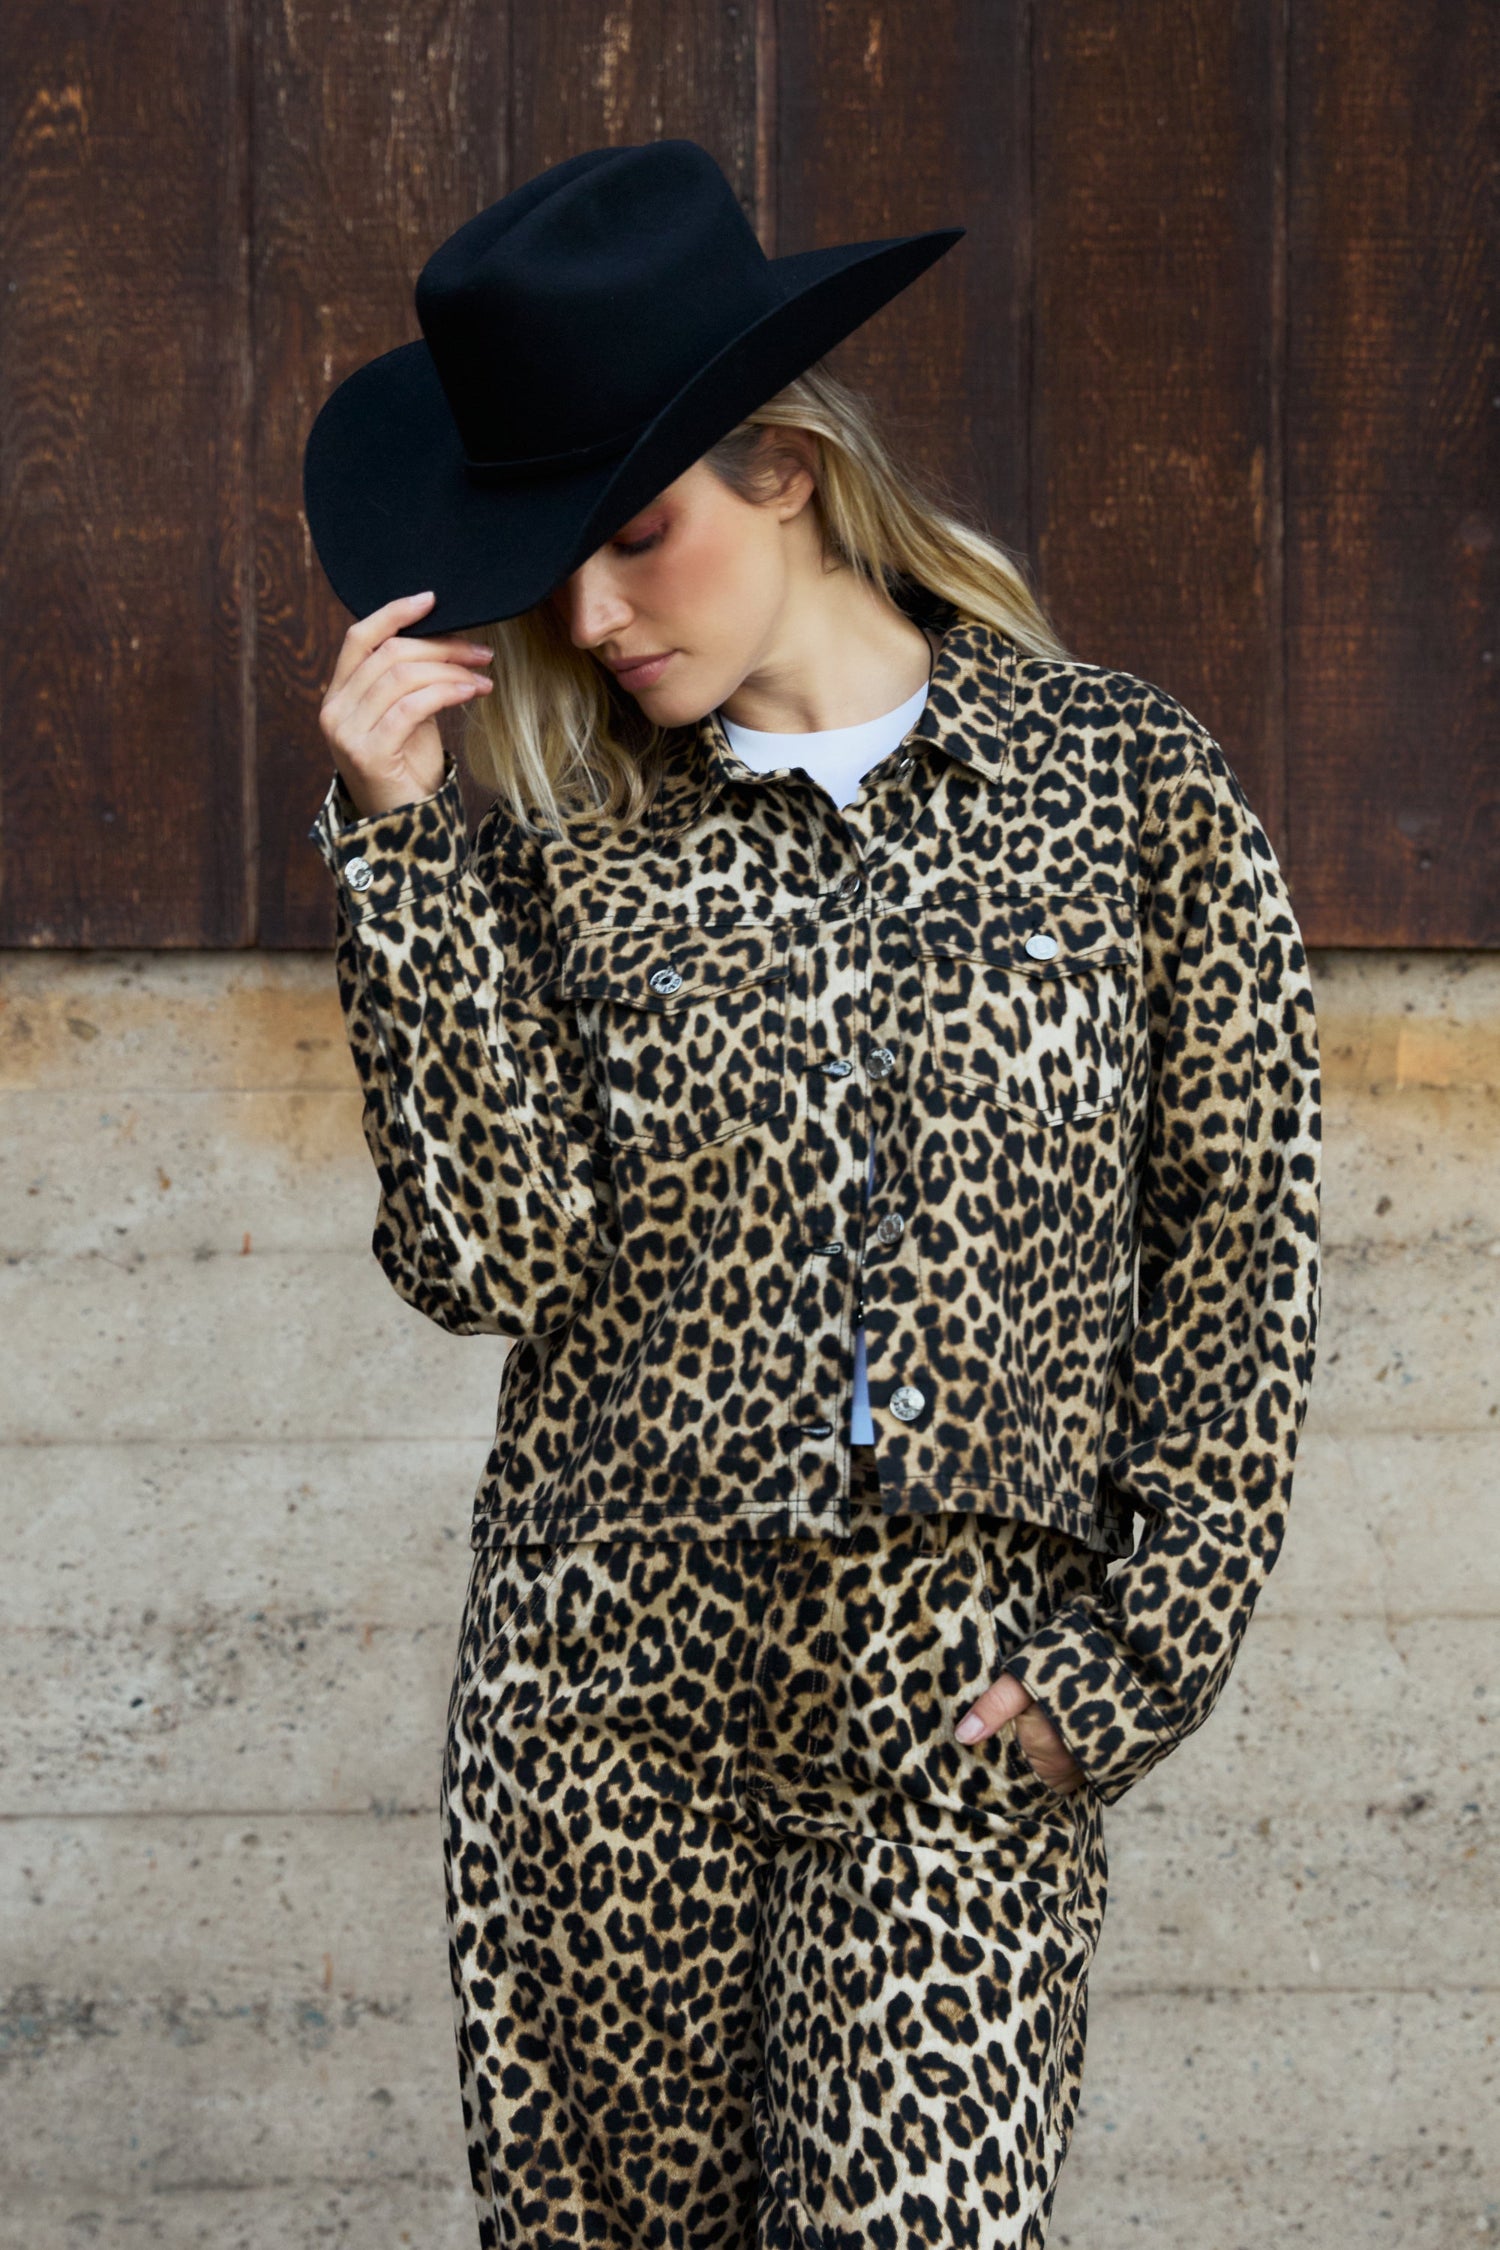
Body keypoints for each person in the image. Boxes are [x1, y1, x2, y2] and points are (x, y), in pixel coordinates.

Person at [303, 140, 1322, 2250]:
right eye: (547, 557)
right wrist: (397, 854)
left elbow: (1240, 1256)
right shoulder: (552, 838)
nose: (587, 611)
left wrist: (1124, 1671)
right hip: (605, 1716)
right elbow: (488, 1260)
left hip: (955, 1708)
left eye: (633, 534)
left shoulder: (1128, 787)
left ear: (784, 467)